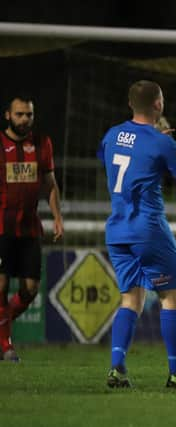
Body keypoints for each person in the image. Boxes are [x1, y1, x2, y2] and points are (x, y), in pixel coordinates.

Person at [100, 80, 176, 388]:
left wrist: (155, 148)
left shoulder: (111, 136)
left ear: (130, 105)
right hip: (148, 229)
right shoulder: (161, 142)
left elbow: (126, 162)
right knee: (171, 295)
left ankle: (117, 368)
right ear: (159, 105)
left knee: (131, 298)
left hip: (117, 230)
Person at [0, 95, 64, 362]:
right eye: (20, 114)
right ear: (8, 116)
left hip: (29, 229)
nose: (25, 119)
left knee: (30, 289)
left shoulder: (42, 143)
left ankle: (1, 329)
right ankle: (6, 346)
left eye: (29, 115)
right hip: (1, 227)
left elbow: (49, 183)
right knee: (0, 286)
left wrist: (57, 217)